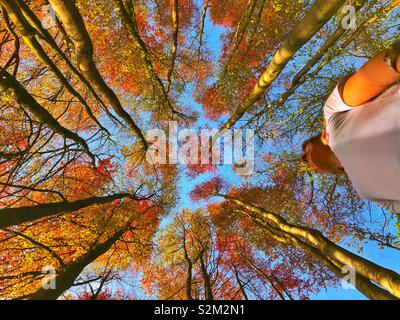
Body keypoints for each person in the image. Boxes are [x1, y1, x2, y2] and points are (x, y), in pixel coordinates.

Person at [301, 42, 400, 212]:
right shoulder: (367, 193)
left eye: (307, 149)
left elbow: (370, 79)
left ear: (323, 137)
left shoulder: (333, 115)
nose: (303, 159)